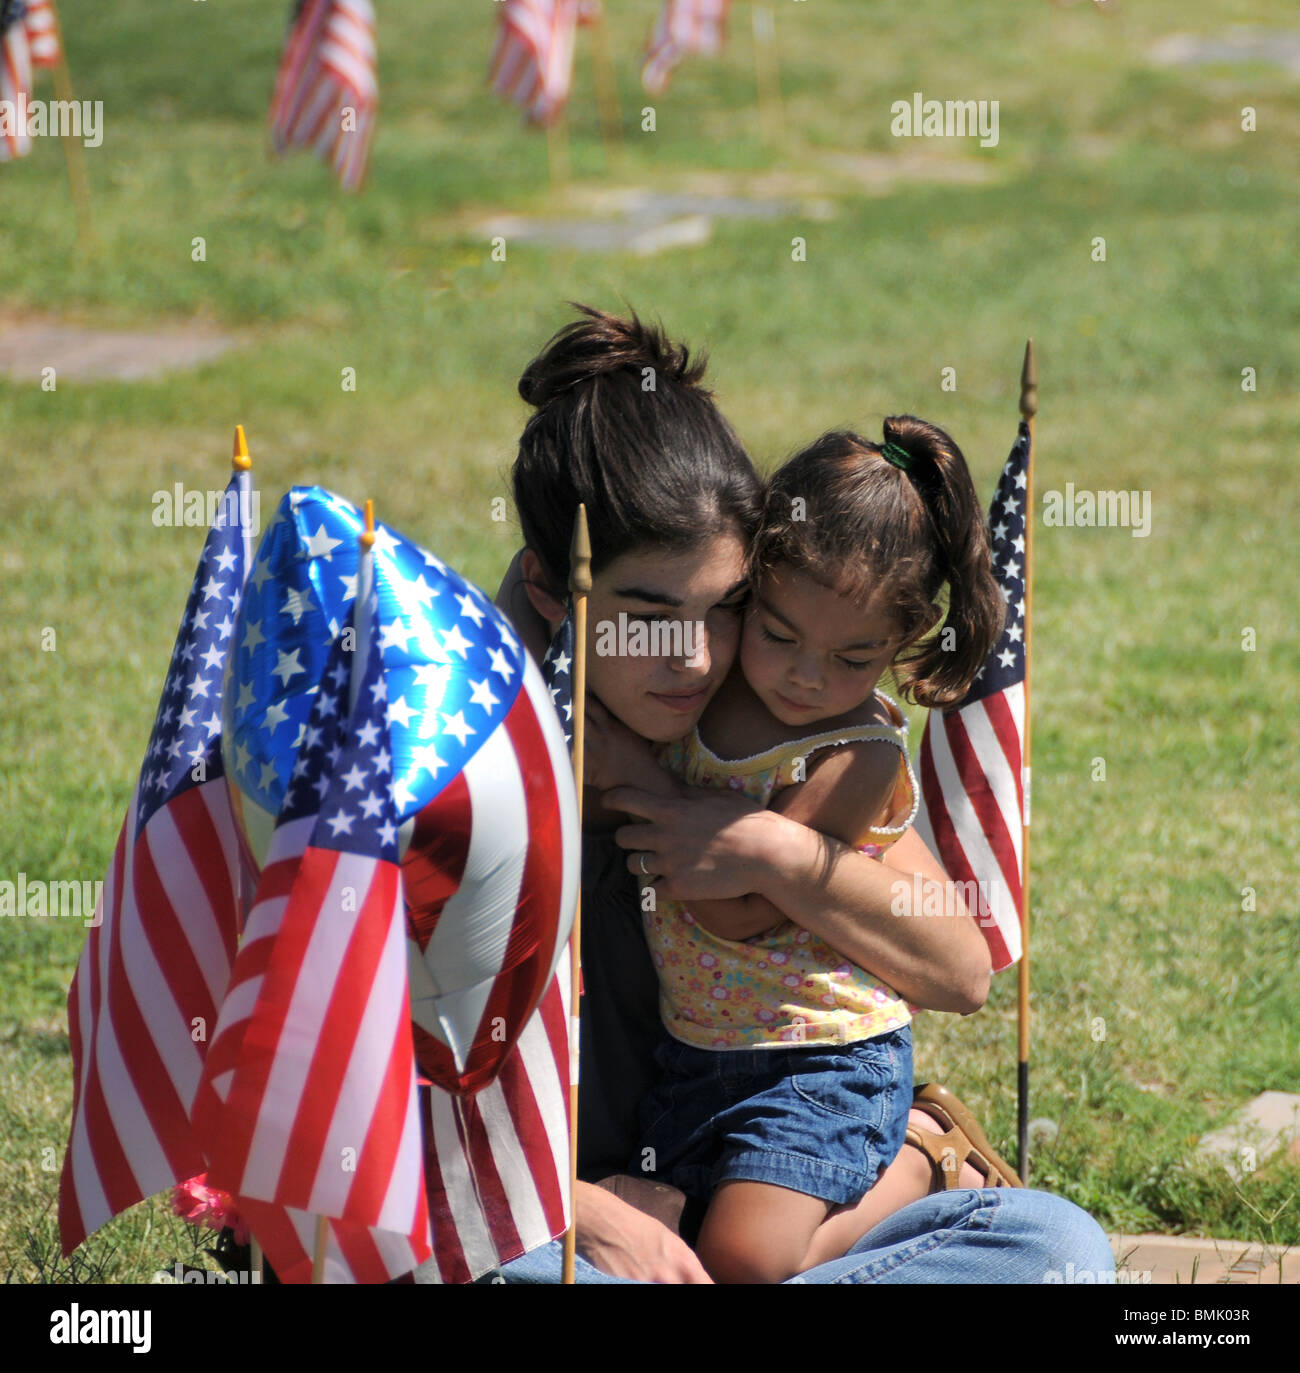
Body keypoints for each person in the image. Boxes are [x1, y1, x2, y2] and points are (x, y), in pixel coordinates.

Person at [493, 302, 1114, 1284]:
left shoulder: (773, 724)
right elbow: (363, 1105)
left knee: (1053, 1248)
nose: (696, 661)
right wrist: (587, 1211)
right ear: (546, 589)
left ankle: (913, 1155)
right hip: (536, 1204)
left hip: (732, 1164)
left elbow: (957, 969)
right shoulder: (462, 756)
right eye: (649, 617)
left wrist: (776, 851)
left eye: (731, 608)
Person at [580, 417, 1011, 1283]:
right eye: (778, 635)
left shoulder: (852, 752)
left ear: (901, 639)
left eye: (852, 657)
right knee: (697, 1238)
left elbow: (740, 910)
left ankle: (925, 1158)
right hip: (698, 1051)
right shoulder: (708, 686)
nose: (806, 676)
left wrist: (637, 778)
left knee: (743, 1261)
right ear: (757, 582)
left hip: (819, 1059)